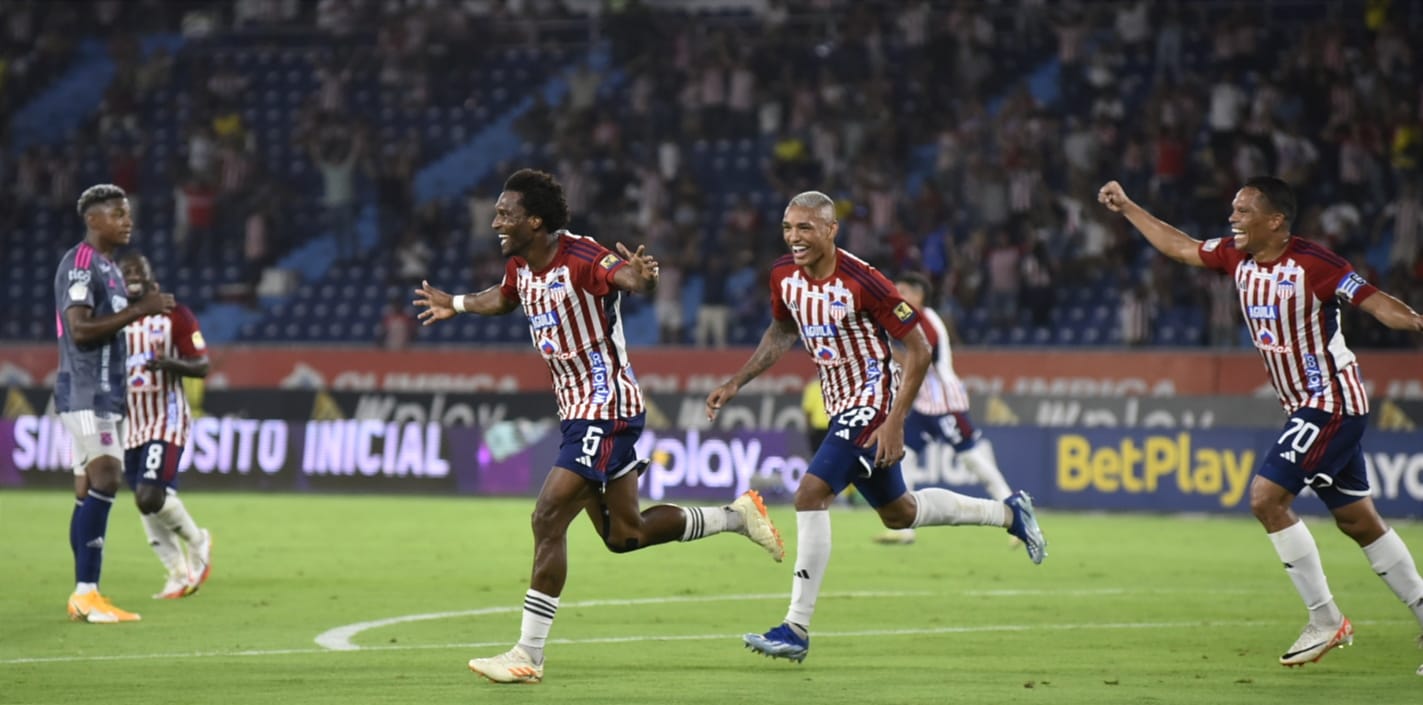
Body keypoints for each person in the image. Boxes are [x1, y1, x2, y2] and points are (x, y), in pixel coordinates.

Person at [413, 168, 784, 684]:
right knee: (623, 535)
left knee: (547, 517)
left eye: (506, 214)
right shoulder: (522, 264)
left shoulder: (582, 257)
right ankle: (736, 516)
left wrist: (643, 275)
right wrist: (454, 303)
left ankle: (528, 653)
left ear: (535, 220)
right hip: (578, 413)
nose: (496, 222)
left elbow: (627, 278)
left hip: (604, 407)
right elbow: (503, 298)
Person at [705, 191, 1047, 663]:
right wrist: (736, 381)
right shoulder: (784, 275)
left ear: (830, 229)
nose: (794, 237)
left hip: (871, 402)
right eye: (788, 227)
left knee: (810, 494)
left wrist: (894, 421)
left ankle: (795, 629)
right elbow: (782, 330)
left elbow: (920, 348)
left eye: (805, 228)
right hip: (839, 403)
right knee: (900, 513)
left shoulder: (865, 282)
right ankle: (1011, 514)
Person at [1099, 176, 1423, 669]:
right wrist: (1128, 208)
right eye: (1233, 209)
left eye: (1244, 210)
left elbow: (1374, 300)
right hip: (1305, 407)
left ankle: (1325, 618)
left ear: (1275, 220)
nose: (1233, 218)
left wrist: (1417, 319)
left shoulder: (1316, 264)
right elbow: (1181, 247)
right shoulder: (1236, 256)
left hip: (1331, 400)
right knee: (1358, 521)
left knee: (1266, 498)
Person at [56, 184, 174, 623]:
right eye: (118, 214)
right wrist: (141, 309)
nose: (128, 221)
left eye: (128, 213)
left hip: (106, 391)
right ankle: (87, 592)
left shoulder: (109, 267)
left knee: (88, 488)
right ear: (93, 219)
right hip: (86, 390)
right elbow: (81, 329)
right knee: (107, 475)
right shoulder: (82, 265)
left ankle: (84, 593)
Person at [874, 271, 1016, 545]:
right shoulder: (909, 320)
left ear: (918, 295)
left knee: (973, 460)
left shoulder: (924, 320)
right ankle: (904, 528)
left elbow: (921, 360)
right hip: (925, 404)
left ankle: (1016, 511)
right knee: (904, 456)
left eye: (903, 291)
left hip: (945, 402)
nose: (898, 296)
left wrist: (888, 352)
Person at [118, 252, 214, 600]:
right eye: (125, 270)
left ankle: (198, 541)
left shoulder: (175, 313)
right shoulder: (114, 319)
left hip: (165, 418)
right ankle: (177, 572)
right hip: (130, 423)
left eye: (137, 270)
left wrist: (170, 363)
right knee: (147, 500)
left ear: (149, 276)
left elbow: (202, 364)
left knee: (149, 495)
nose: (131, 274)